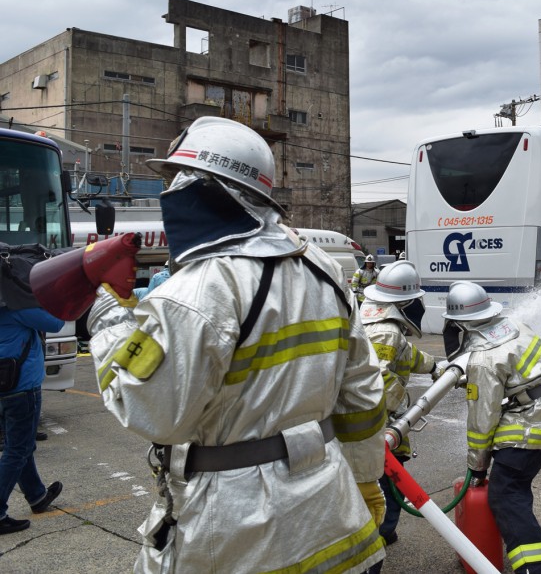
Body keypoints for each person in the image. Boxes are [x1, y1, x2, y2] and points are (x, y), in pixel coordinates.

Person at [86, 117, 387, 573]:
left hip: (233, 522)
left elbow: (152, 411)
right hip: (331, 504)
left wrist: (109, 319)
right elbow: (362, 392)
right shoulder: (321, 268)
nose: (172, 191)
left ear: (204, 187)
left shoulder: (195, 291)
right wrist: (366, 478)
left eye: (177, 178)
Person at [442, 281, 541, 574]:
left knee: (506, 494)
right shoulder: (513, 326)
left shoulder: (484, 359)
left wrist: (478, 466)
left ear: (462, 325)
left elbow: (481, 421)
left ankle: (534, 569)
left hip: (531, 421)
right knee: (516, 488)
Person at [360, 260, 440, 545]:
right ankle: (381, 535)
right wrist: (403, 409)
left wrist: (434, 368)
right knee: (390, 483)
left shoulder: (375, 317)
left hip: (375, 425)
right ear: (406, 302)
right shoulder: (386, 332)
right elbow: (375, 382)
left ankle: (382, 529)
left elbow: (408, 355)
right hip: (377, 427)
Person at [0, 305, 64, 534]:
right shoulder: (16, 308)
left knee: (20, 445)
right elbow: (56, 322)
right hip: (22, 387)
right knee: (17, 449)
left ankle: (36, 496)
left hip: (4, 387)